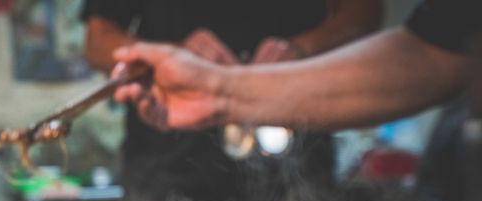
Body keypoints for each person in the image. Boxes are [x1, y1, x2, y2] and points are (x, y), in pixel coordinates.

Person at [82, 1, 383, 201]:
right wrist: (172, 53)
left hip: (297, 131)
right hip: (167, 141)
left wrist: (301, 49)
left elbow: (364, 14)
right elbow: (98, 41)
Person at [112, 0, 481, 132]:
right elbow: (436, 49)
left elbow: (435, 50)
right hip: (172, 136)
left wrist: (303, 46)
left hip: (304, 128)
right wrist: (216, 89)